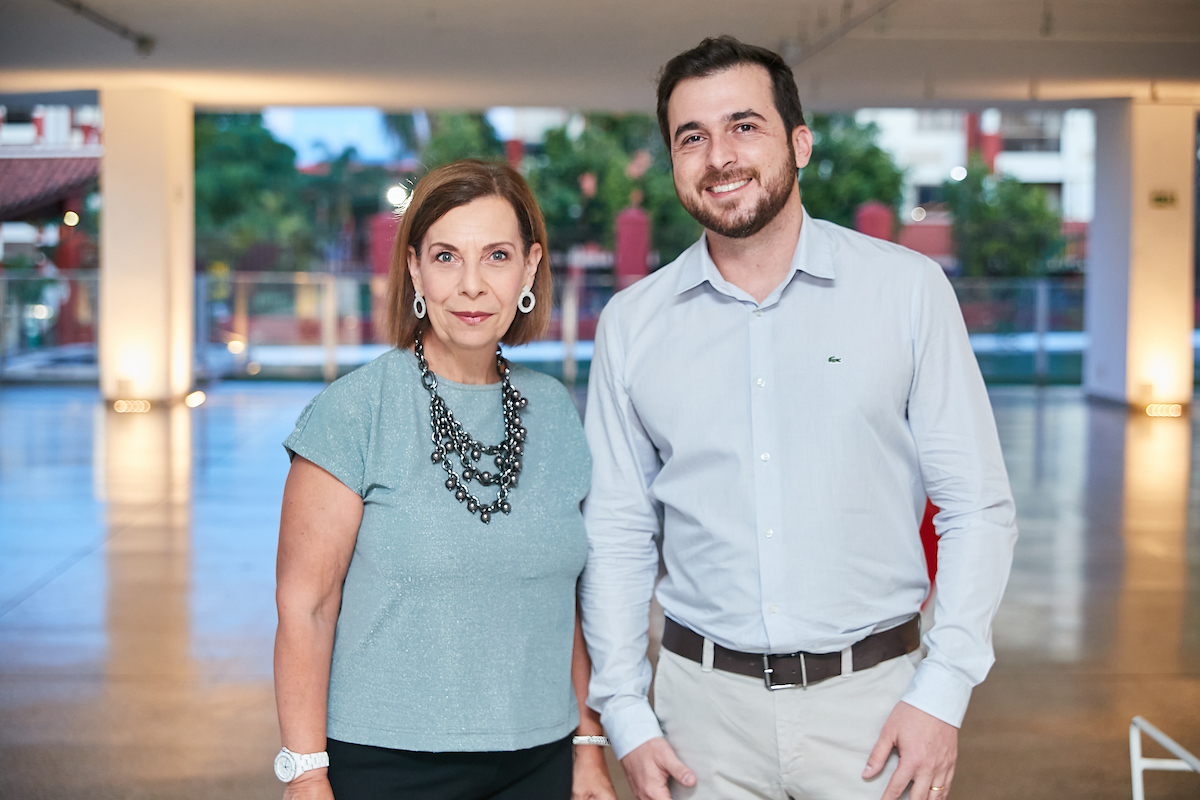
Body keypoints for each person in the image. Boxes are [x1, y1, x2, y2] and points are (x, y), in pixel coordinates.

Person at [579, 36, 1017, 800]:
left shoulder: (906, 293)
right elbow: (616, 531)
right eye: (693, 136)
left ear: (800, 143)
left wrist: (941, 693)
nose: (720, 156)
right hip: (697, 719)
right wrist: (624, 708)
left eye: (744, 126)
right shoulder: (632, 324)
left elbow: (976, 507)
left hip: (877, 710)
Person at [274, 159, 616, 800]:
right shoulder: (355, 411)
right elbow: (306, 607)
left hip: (539, 762)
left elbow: (567, 602)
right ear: (414, 270)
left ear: (530, 267)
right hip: (388, 764)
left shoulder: (554, 412)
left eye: (496, 255)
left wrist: (588, 746)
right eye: (446, 257)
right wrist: (305, 771)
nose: (471, 286)